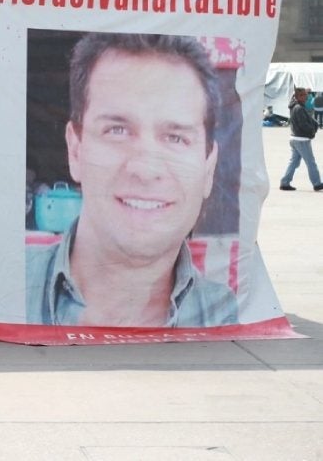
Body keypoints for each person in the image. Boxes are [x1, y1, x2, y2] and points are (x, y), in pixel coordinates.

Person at [26, 32, 238, 328]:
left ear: (208, 168)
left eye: (175, 137)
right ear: (75, 150)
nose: (145, 169)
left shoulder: (230, 314)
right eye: (117, 130)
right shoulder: (9, 287)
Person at [279, 87, 323, 192]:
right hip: (301, 139)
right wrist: (312, 131)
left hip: (295, 138)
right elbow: (303, 124)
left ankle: (285, 182)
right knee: (311, 162)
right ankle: (317, 184)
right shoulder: (298, 108)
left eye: (306, 94)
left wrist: (314, 125)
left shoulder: (296, 106)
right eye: (303, 95)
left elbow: (307, 121)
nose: (306, 96)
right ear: (297, 97)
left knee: (294, 162)